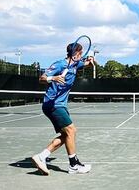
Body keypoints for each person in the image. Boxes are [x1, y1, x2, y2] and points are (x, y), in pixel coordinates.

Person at [32, 42, 95, 176]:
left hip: (60, 105)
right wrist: (53, 78)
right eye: (80, 53)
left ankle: (41, 157)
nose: (82, 55)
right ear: (75, 53)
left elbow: (87, 64)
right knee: (71, 130)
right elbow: (41, 78)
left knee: (66, 135)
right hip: (53, 104)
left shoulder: (76, 64)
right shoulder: (60, 64)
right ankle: (73, 165)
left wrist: (90, 60)